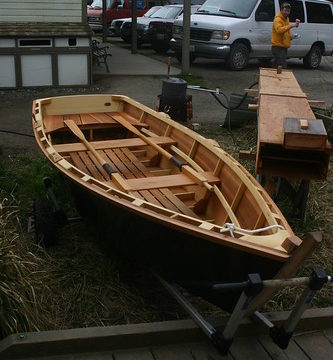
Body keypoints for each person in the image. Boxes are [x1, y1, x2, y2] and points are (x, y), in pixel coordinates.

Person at [271, 2, 300, 68]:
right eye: (285, 11)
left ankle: (276, 77)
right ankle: (279, 77)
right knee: (282, 66)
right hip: (278, 47)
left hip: (283, 46)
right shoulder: (277, 19)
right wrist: (291, 25)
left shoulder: (286, 19)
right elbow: (279, 30)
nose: (287, 12)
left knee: (277, 65)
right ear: (281, 10)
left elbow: (285, 32)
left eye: (288, 11)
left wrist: (291, 37)